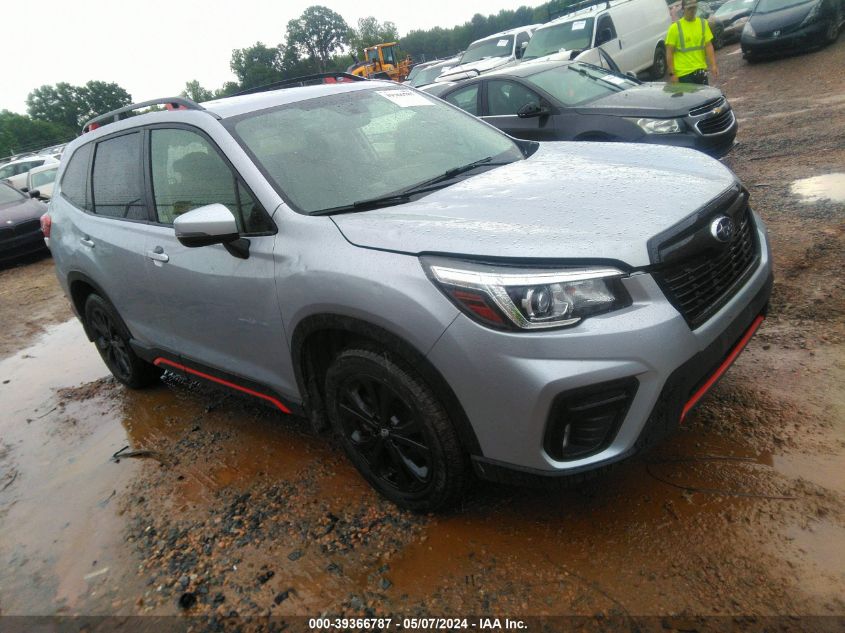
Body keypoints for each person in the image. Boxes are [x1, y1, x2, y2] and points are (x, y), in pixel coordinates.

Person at [665, 0, 719, 85]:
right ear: (683, 9)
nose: (692, 11)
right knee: (690, 98)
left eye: (694, 8)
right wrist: (672, 74)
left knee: (703, 97)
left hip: (700, 70)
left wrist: (713, 65)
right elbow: (669, 53)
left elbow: (708, 46)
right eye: (689, 9)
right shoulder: (675, 28)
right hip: (683, 74)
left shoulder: (703, 24)